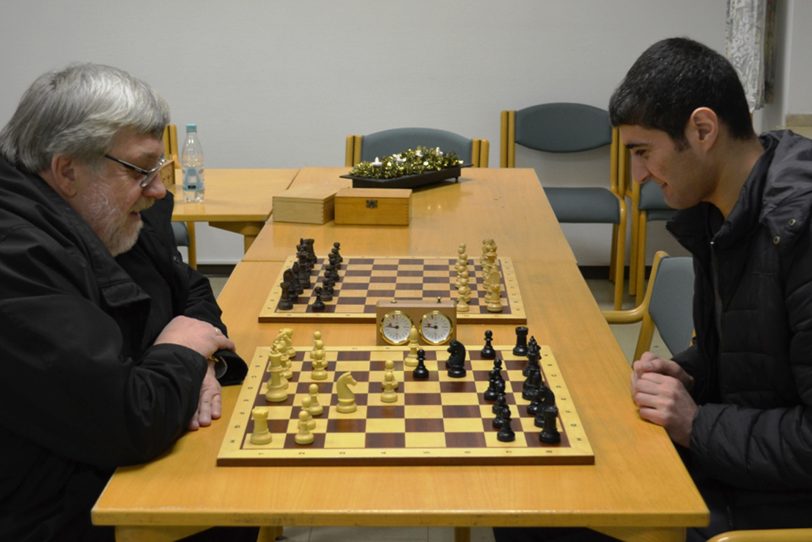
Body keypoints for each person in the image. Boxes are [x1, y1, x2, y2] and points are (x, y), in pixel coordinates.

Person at [495, 37, 812, 542]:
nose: (638, 174)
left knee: (533, 513)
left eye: (644, 152)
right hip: (731, 469)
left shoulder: (797, 230)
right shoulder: (723, 212)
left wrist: (695, 424)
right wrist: (685, 371)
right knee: (528, 486)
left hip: (771, 512)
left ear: (703, 129)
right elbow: (747, 360)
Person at [0, 63, 249, 541]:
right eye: (141, 170)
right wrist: (181, 350)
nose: (158, 190)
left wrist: (194, 360)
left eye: (160, 169)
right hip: (56, 511)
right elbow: (127, 420)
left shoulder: (108, 211)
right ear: (67, 169)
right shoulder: (16, 260)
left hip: (119, 463)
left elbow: (192, 291)